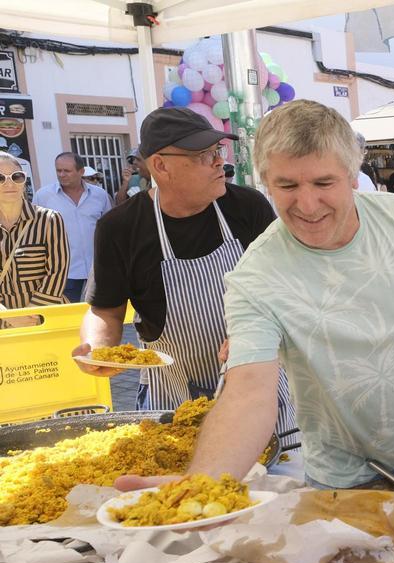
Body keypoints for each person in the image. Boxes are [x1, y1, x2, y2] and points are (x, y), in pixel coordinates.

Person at [115, 99, 394, 491]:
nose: (308, 203)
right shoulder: (256, 275)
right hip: (343, 481)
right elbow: (248, 392)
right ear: (265, 182)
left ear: (353, 174)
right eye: (287, 185)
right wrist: (201, 484)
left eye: (323, 182)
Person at [73, 106, 301, 476]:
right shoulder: (121, 227)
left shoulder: (247, 207)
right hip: (173, 395)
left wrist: (258, 329)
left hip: (260, 388)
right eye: (204, 156)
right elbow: (106, 310)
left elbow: (290, 283)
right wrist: (100, 348)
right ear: (160, 166)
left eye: (219, 152)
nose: (219, 164)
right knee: (181, 497)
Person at [33, 151, 113, 302]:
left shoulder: (99, 195)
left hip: (97, 271)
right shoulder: (43, 196)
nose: (61, 174)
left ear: (81, 171)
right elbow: (35, 233)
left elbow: (109, 230)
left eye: (67, 171)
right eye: (58, 170)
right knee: (69, 320)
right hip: (63, 273)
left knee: (99, 316)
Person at [0, 151, 69, 319]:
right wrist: (7, 317)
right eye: (0, 178)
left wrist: (32, 314)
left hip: (46, 318)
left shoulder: (49, 219)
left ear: (24, 180)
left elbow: (57, 272)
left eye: (16, 176)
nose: (9, 184)